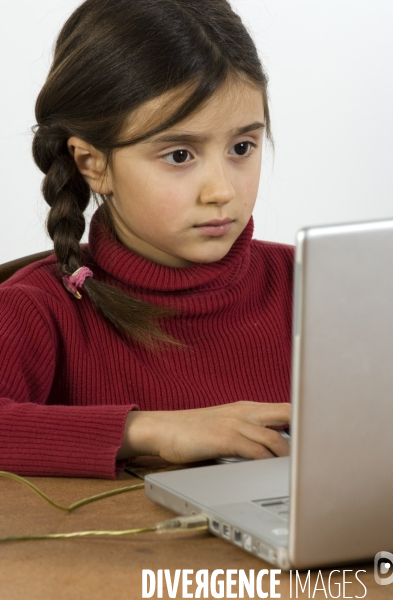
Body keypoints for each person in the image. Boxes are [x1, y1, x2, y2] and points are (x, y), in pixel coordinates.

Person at [0, 0, 293, 479]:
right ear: (93, 163)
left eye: (242, 147)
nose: (222, 191)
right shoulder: (37, 307)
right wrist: (151, 431)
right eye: (179, 155)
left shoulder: (316, 285)